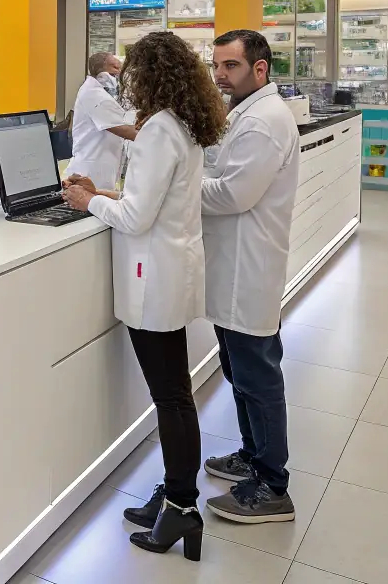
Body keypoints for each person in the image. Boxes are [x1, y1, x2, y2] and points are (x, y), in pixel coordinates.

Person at [62, 32, 227, 561]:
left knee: (172, 398)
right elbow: (154, 197)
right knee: (175, 393)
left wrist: (88, 203)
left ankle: (181, 505)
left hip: (155, 276)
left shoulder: (157, 129)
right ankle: (174, 494)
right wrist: (103, 192)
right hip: (172, 267)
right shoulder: (182, 124)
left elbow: (136, 217)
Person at [200, 29, 300, 525]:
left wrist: (173, 187)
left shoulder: (262, 122)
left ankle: (272, 484)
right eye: (216, 65)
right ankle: (251, 455)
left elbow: (232, 195)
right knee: (239, 372)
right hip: (233, 266)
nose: (220, 75)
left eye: (231, 66)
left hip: (248, 268)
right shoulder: (245, 113)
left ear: (259, 69)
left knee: (257, 377)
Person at [64, 51, 136, 190]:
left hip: (101, 170)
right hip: (90, 173)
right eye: (116, 67)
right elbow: (123, 130)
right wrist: (156, 136)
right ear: (102, 73)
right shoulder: (94, 94)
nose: (120, 72)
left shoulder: (102, 93)